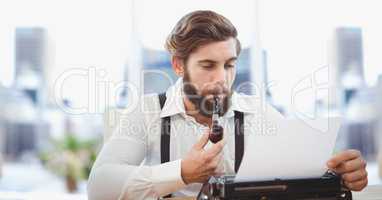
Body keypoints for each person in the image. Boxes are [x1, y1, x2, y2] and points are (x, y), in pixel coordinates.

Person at [87, 10, 368, 200]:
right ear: (178, 65)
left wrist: (340, 175)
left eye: (230, 65)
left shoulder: (258, 112)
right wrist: (181, 173)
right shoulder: (147, 112)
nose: (222, 78)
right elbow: (99, 186)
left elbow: (301, 175)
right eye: (208, 65)